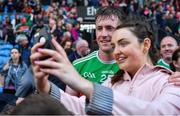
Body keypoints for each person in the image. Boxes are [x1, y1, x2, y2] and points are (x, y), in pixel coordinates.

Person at [30, 14, 180, 115]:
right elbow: (80, 108)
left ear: (145, 45)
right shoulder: (112, 83)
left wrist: (83, 84)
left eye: (123, 43)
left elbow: (159, 112)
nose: (117, 51)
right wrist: (44, 85)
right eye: (114, 45)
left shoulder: (170, 81)